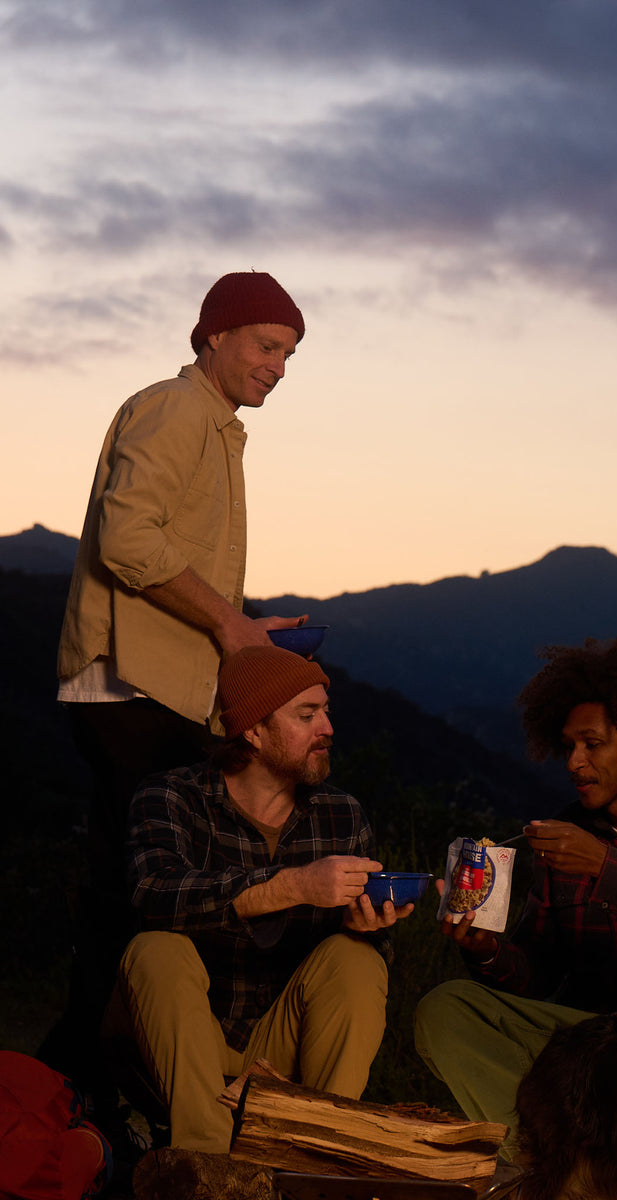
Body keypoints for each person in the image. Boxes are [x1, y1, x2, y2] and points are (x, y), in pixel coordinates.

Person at [47, 271, 309, 1095]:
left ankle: (85, 1088)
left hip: (160, 685)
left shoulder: (215, 425)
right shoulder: (176, 407)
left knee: (127, 894)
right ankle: (92, 1086)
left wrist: (237, 635)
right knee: (146, 900)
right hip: (131, 687)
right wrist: (230, 625)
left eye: (290, 354)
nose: (278, 367)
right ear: (213, 337)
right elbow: (128, 539)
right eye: (267, 346)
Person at [414, 632, 617, 1171]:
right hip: (585, 1042)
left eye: (592, 744)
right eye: (569, 746)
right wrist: (485, 949)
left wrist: (603, 866)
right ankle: (556, 1163)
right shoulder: (565, 831)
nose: (574, 762)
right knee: (445, 1008)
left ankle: (566, 1167)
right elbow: (538, 975)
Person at [102, 646, 407, 1153]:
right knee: (156, 948)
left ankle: (316, 1151)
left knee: (359, 959)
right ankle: (209, 1161)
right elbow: (151, 894)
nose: (327, 728)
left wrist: (366, 926)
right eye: (307, 715)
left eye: (326, 711)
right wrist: (295, 885)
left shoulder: (341, 815)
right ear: (252, 731)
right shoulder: (171, 797)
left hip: (279, 1040)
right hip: (178, 1038)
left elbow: (363, 960)